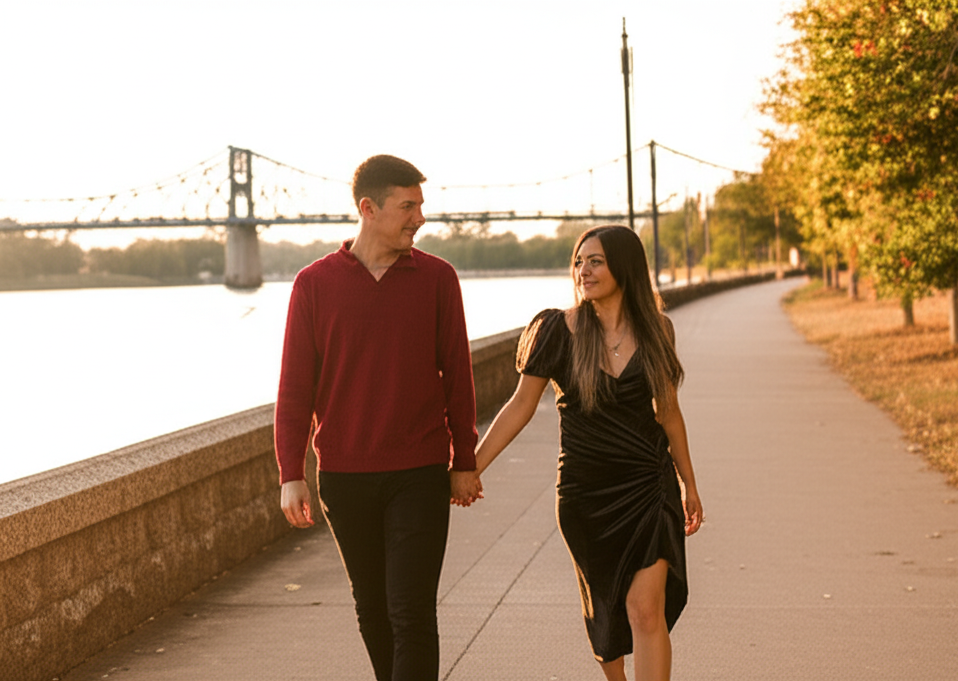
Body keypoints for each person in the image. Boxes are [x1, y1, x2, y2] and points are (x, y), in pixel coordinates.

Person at [274, 154, 482, 681]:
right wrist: (290, 473)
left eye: (421, 206)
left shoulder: (438, 278)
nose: (419, 218)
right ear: (368, 208)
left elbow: (458, 376)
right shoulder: (314, 284)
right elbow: (295, 388)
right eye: (407, 206)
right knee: (373, 612)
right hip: (345, 476)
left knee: (410, 610)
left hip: (419, 471)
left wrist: (465, 459)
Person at [469, 225, 703, 681]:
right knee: (605, 614)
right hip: (585, 493)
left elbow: (669, 412)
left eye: (595, 261)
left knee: (645, 610)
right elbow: (519, 407)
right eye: (578, 261)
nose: (583, 270)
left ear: (625, 266)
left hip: (648, 486)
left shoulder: (658, 330)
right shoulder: (556, 329)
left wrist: (688, 484)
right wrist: (470, 468)